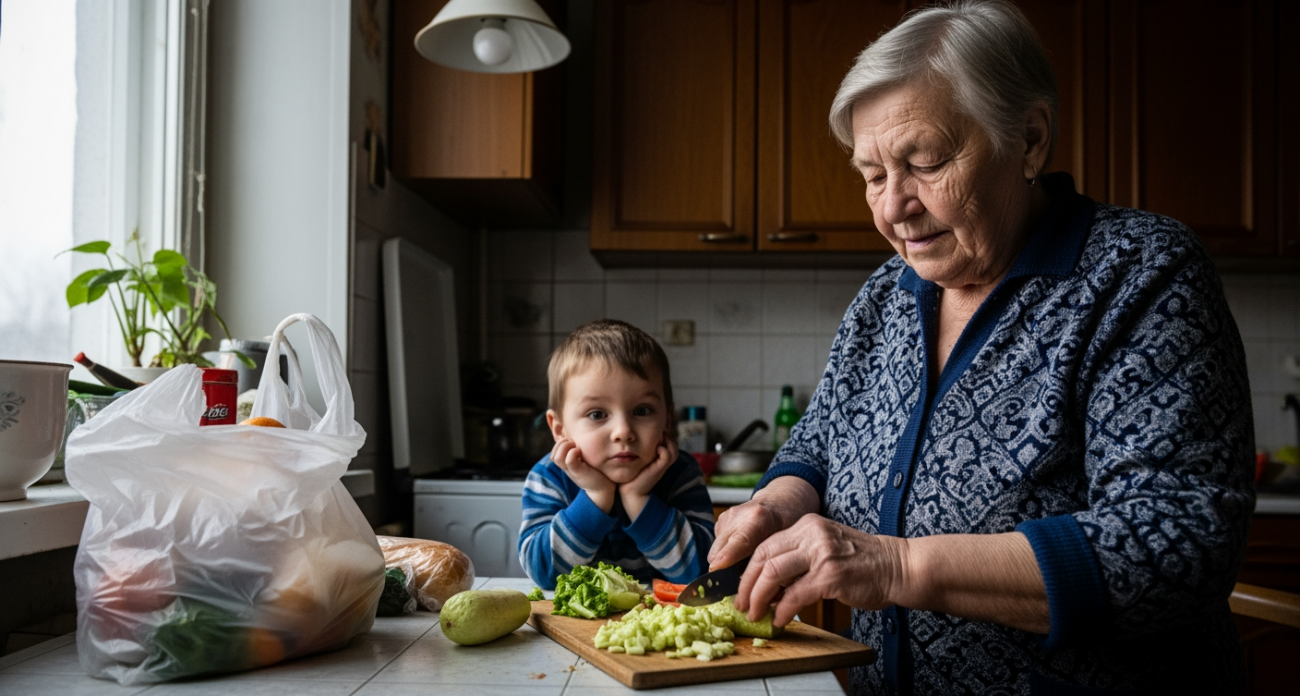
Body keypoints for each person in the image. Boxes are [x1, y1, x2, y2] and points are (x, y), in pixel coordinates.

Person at [707, 2, 1255, 694]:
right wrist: (779, 504)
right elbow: (819, 443)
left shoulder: (1142, 275)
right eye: (873, 175)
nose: (892, 206)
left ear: (1028, 140)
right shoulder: (886, 294)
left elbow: (1174, 542)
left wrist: (895, 568)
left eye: (926, 162)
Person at [519, 319, 716, 587]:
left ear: (667, 419)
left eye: (642, 411)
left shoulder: (681, 473)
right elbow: (545, 575)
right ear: (560, 429)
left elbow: (701, 572)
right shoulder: (548, 477)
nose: (623, 431)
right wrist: (597, 496)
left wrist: (638, 497)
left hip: (658, 623)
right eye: (597, 414)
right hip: (578, 624)